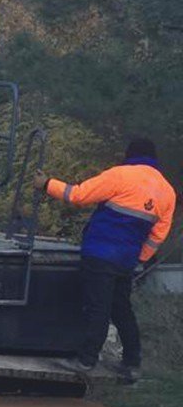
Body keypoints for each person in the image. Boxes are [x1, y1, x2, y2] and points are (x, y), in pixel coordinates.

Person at [36, 138, 175, 380]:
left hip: (100, 254)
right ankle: (132, 362)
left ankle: (86, 360)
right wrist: (137, 258)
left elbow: (78, 195)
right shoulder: (167, 191)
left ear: (130, 154)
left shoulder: (120, 176)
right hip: (126, 261)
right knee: (121, 309)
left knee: (97, 307)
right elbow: (157, 236)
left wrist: (47, 183)